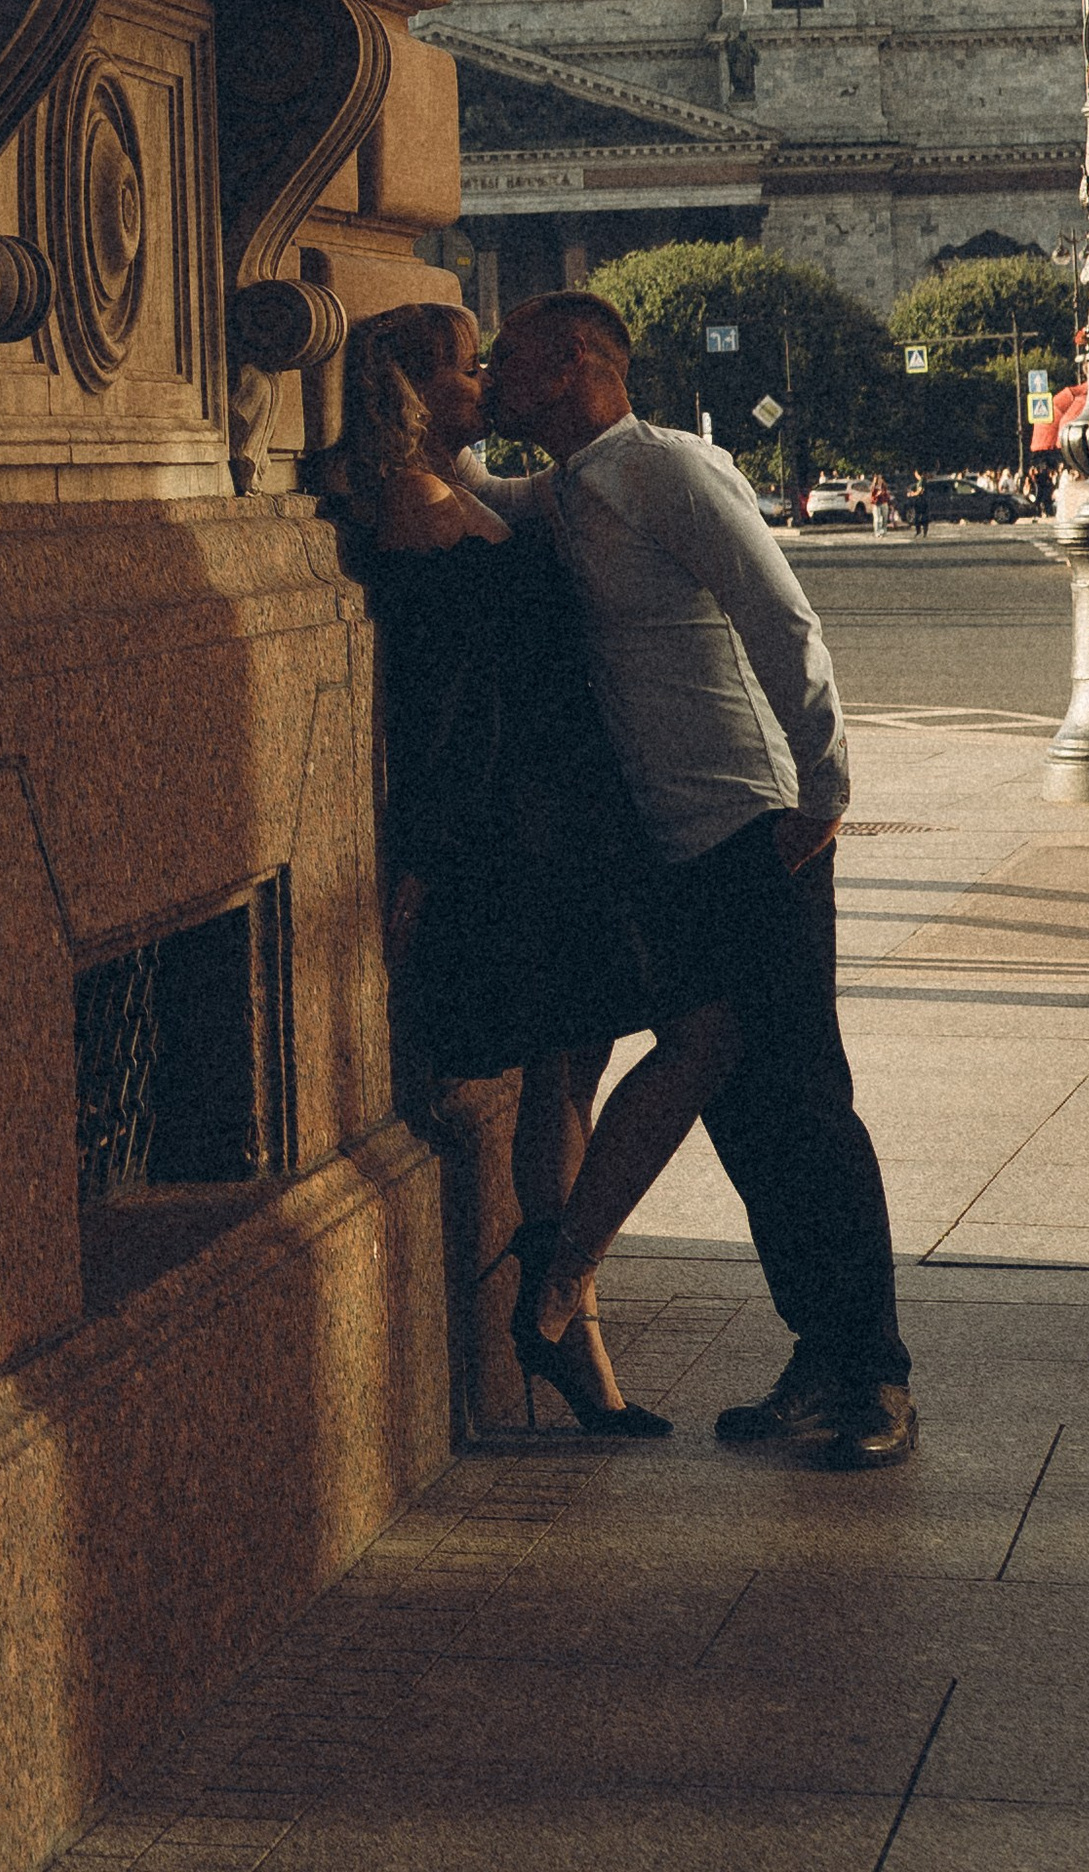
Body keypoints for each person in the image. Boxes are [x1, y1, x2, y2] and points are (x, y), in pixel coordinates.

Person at [481, 291, 918, 1472]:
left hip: (754, 825)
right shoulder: (573, 486)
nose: (488, 370)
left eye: (505, 356)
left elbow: (783, 619)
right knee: (741, 1115)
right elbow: (486, 499)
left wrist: (823, 791)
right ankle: (816, 1355)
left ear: (577, 359)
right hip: (673, 845)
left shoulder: (668, 467)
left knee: (805, 1105)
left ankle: (873, 1374)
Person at [338, 302, 737, 1437]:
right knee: (663, 1042)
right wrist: (422, 861)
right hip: (526, 836)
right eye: (467, 368)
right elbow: (444, 717)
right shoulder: (421, 523)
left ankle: (568, 1330)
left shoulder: (458, 496)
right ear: (418, 394)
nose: (484, 384)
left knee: (569, 1078)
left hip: (562, 820)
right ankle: (559, 1303)